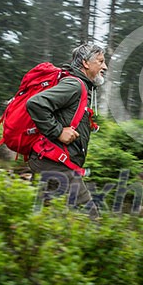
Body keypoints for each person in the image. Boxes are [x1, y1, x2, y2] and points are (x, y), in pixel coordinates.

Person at [26, 43, 107, 205]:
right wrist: (58, 132)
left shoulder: (82, 86)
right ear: (85, 63)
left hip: (55, 163)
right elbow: (35, 103)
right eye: (100, 61)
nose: (105, 66)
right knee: (88, 218)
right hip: (54, 164)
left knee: (46, 219)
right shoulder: (75, 85)